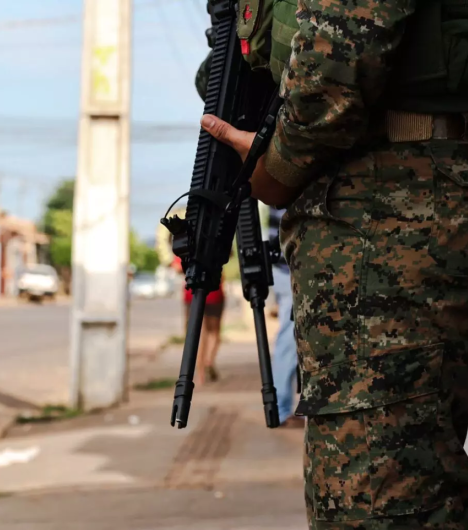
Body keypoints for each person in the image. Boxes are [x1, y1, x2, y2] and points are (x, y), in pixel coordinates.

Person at [198, 0, 468, 528]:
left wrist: (278, 165)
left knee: (378, 504)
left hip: (395, 206)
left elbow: (338, 46)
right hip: (407, 199)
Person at [268, 206, 301, 429]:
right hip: (289, 269)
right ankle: (279, 410)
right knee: (289, 342)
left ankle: (281, 409)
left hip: (288, 267)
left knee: (291, 340)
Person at [172, 255, 225, 385]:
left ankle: (200, 373)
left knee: (198, 334)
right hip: (214, 292)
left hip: (192, 293)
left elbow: (177, 266)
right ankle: (209, 360)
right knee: (214, 332)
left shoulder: (188, 244)